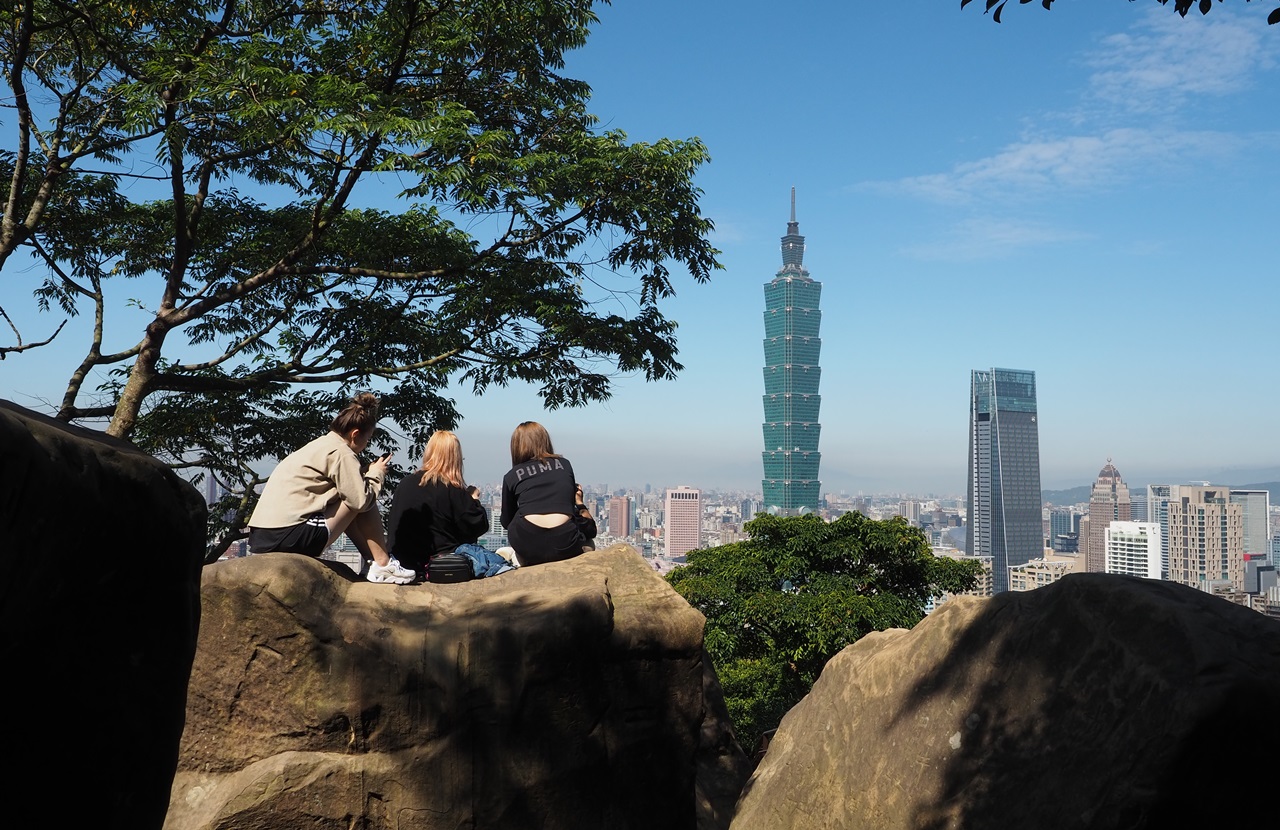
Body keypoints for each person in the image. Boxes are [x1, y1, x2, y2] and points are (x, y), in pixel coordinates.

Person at [247, 392, 415, 584]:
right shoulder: (342, 453)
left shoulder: (320, 445)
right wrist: (376, 473)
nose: (366, 444)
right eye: (367, 439)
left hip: (263, 537)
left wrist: (363, 472)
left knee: (354, 490)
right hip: (289, 536)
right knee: (361, 495)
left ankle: (373, 562)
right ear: (355, 434)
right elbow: (360, 501)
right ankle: (383, 564)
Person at [387, 430, 510, 579]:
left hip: (403, 563)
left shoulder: (405, 483)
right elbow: (477, 526)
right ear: (455, 458)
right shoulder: (451, 489)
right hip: (440, 565)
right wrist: (473, 500)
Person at [500, 421, 594, 567]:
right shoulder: (565, 465)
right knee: (589, 541)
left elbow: (506, 521)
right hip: (565, 544)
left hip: (528, 544)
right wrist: (579, 502)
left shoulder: (511, 476)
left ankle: (517, 557)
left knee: (517, 521)